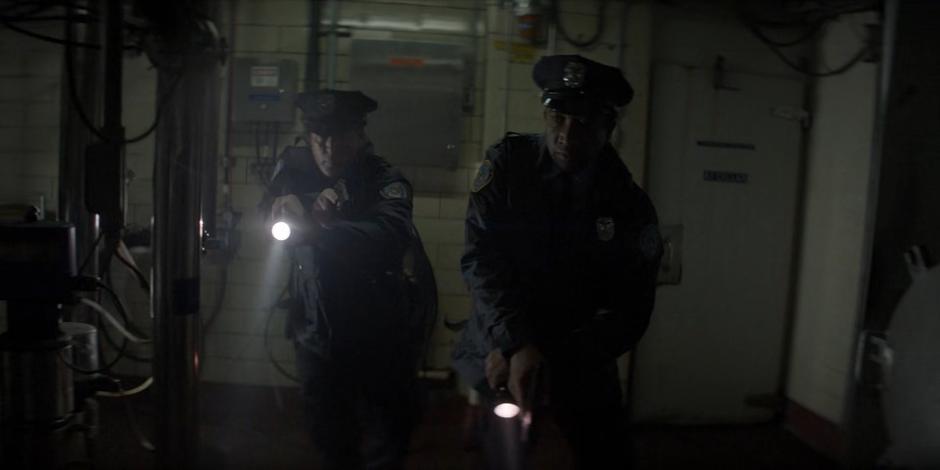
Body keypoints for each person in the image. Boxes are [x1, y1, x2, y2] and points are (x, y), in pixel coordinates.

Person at [453, 55, 663, 469]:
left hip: (578, 357)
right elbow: (481, 257)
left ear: (608, 128)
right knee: (502, 454)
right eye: (558, 117)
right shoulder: (508, 166)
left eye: (583, 122)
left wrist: (547, 355)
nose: (566, 134)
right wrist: (512, 343)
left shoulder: (629, 206)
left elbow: (632, 309)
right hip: (502, 345)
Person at [262, 90, 436, 470]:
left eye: (339, 137)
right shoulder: (292, 170)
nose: (328, 149)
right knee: (331, 441)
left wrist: (318, 231)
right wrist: (283, 205)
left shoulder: (384, 179)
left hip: (379, 337)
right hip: (316, 336)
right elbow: (268, 209)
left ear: (359, 136)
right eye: (319, 138)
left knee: (387, 441)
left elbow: (389, 234)